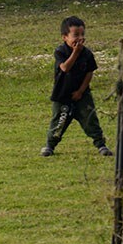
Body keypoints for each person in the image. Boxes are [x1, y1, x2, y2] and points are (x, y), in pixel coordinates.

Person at [41, 16, 113, 157]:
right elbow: (65, 68)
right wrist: (75, 52)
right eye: (75, 35)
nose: (80, 38)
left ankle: (100, 144)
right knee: (59, 121)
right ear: (64, 37)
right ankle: (50, 146)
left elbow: (89, 72)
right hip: (63, 95)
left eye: (82, 35)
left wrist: (81, 91)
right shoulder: (60, 52)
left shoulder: (86, 53)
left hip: (82, 95)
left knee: (90, 119)